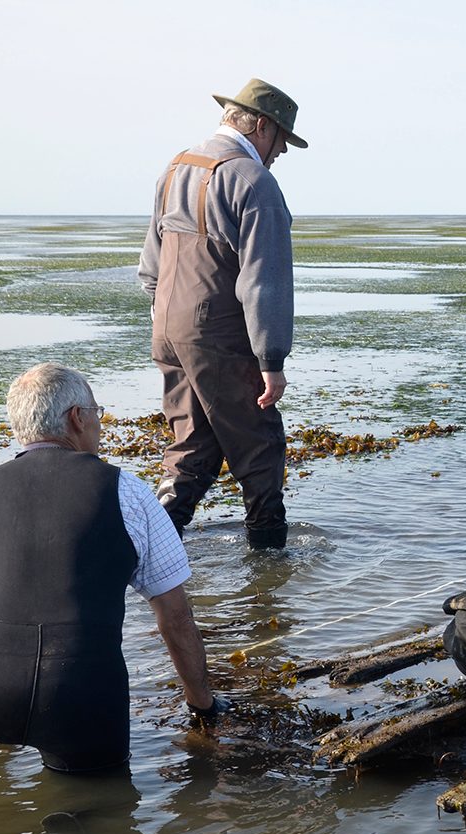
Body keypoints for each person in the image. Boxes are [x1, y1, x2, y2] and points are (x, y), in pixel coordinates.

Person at [0, 364, 224, 773]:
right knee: (100, 810)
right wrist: (202, 706)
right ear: (76, 418)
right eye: (97, 414)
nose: (99, 425)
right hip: (85, 704)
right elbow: (176, 617)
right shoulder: (128, 492)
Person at [139, 77, 307, 549]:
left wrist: (163, 320)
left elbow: (150, 261)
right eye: (282, 139)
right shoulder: (254, 181)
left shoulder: (176, 168)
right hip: (219, 334)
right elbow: (263, 281)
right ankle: (269, 571)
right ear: (260, 126)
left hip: (167, 327)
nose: (283, 152)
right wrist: (271, 361)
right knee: (260, 450)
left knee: (192, 450)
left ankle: (145, 559)